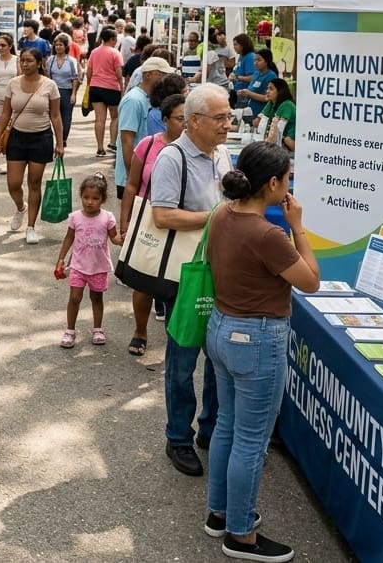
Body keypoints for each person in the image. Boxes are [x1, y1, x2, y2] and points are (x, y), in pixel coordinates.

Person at [205, 141, 319, 563]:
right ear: (272, 183)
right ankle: (241, 534)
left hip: (221, 327)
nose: (290, 186)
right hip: (257, 337)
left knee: (228, 428)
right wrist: (298, 227)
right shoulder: (269, 234)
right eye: (287, 178)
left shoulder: (221, 214)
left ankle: (219, 513)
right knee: (251, 441)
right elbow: (310, 281)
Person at [151, 84, 234, 477]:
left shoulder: (222, 156)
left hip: (219, 270)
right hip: (185, 274)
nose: (227, 124)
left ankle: (211, 429)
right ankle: (178, 438)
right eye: (220, 118)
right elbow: (163, 216)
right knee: (183, 361)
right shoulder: (172, 157)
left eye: (229, 116)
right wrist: (216, 218)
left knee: (218, 355)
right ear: (194, 120)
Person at [121, 93, 188, 356]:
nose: (185, 124)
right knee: (143, 280)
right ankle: (140, 330)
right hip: (150, 221)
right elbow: (132, 184)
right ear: (165, 120)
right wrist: (125, 222)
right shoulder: (148, 146)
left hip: (183, 223)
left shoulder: (197, 149)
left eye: (189, 118)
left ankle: (176, 334)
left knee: (179, 282)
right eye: (180, 118)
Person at [0, 47, 65, 245]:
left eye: (29, 61)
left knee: (34, 183)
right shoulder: (13, 84)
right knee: (13, 183)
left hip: (41, 139)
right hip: (16, 137)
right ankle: (20, 208)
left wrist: (60, 143)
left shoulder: (50, 85)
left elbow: (56, 116)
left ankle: (31, 226)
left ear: (39, 63)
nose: (24, 64)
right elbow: (6, 113)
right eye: (22, 60)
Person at [55, 173, 123, 348]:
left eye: (95, 198)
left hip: (98, 267)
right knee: (75, 297)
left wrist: (123, 239)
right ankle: (70, 330)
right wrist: (61, 259)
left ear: (103, 199)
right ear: (81, 196)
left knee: (96, 297)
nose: (89, 202)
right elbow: (69, 238)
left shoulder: (107, 218)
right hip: (78, 265)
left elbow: (114, 238)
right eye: (86, 197)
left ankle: (98, 329)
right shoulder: (75, 217)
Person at [116, 57, 172, 201]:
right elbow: (127, 140)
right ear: (148, 75)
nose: (165, 79)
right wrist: (131, 175)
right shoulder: (134, 100)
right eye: (162, 74)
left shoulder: (146, 98)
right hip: (132, 176)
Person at [87, 27, 125, 157]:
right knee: (115, 117)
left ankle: (99, 148)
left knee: (99, 119)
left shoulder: (94, 52)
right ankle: (113, 143)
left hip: (95, 87)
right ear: (113, 39)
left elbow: (89, 71)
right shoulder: (115, 53)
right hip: (111, 88)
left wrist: (89, 84)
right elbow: (119, 74)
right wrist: (122, 88)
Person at [47, 33, 81, 142]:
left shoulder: (71, 61)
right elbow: (47, 76)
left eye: (60, 45)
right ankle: (56, 138)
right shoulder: (50, 60)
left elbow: (75, 78)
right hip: (53, 91)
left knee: (66, 118)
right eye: (56, 45)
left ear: (66, 47)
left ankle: (63, 139)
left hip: (67, 91)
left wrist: (74, 94)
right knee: (54, 116)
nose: (58, 47)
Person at [237, 48, 278, 121]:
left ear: (266, 61)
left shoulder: (271, 76)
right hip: (250, 111)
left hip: (262, 114)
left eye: (259, 60)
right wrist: (243, 92)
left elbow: (268, 98)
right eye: (255, 60)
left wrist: (250, 94)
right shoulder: (256, 73)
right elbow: (251, 89)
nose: (255, 63)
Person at [260, 78, 296, 156]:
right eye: (267, 88)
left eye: (271, 89)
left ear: (280, 91)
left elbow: (278, 131)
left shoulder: (287, 105)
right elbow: (258, 123)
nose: (267, 91)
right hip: (281, 144)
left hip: (291, 145)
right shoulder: (272, 103)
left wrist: (265, 147)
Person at [230, 34, 257, 101]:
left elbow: (253, 77)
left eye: (236, 44)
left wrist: (237, 77)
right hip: (238, 92)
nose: (234, 47)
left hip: (245, 94)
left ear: (243, 45)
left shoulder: (250, 57)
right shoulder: (241, 56)